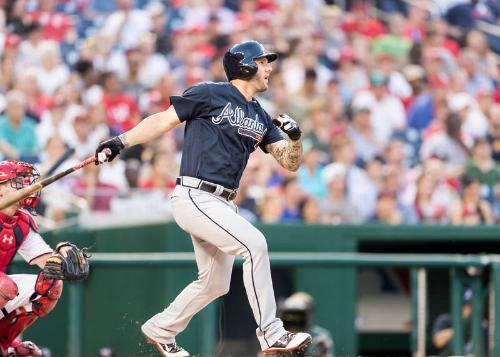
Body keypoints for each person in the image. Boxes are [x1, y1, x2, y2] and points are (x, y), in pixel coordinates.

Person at [95, 40, 312, 356]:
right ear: (245, 64)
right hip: (196, 194)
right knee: (255, 245)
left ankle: (161, 329)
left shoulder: (262, 115)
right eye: (264, 62)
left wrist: (295, 138)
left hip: (223, 203)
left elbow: (289, 162)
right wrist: (121, 141)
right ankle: (272, 334)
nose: (269, 68)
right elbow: (164, 119)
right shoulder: (210, 93)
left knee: (215, 283)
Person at [0, 160, 88, 356]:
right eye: (18, 181)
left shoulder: (21, 221)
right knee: (4, 286)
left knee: (51, 285)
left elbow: (49, 263)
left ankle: (5, 344)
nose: (26, 186)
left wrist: (63, 254)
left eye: (25, 181)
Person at [278, 292, 334, 357]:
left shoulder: (320, 339)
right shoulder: (276, 338)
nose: (295, 321)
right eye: (290, 316)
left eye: (299, 316)